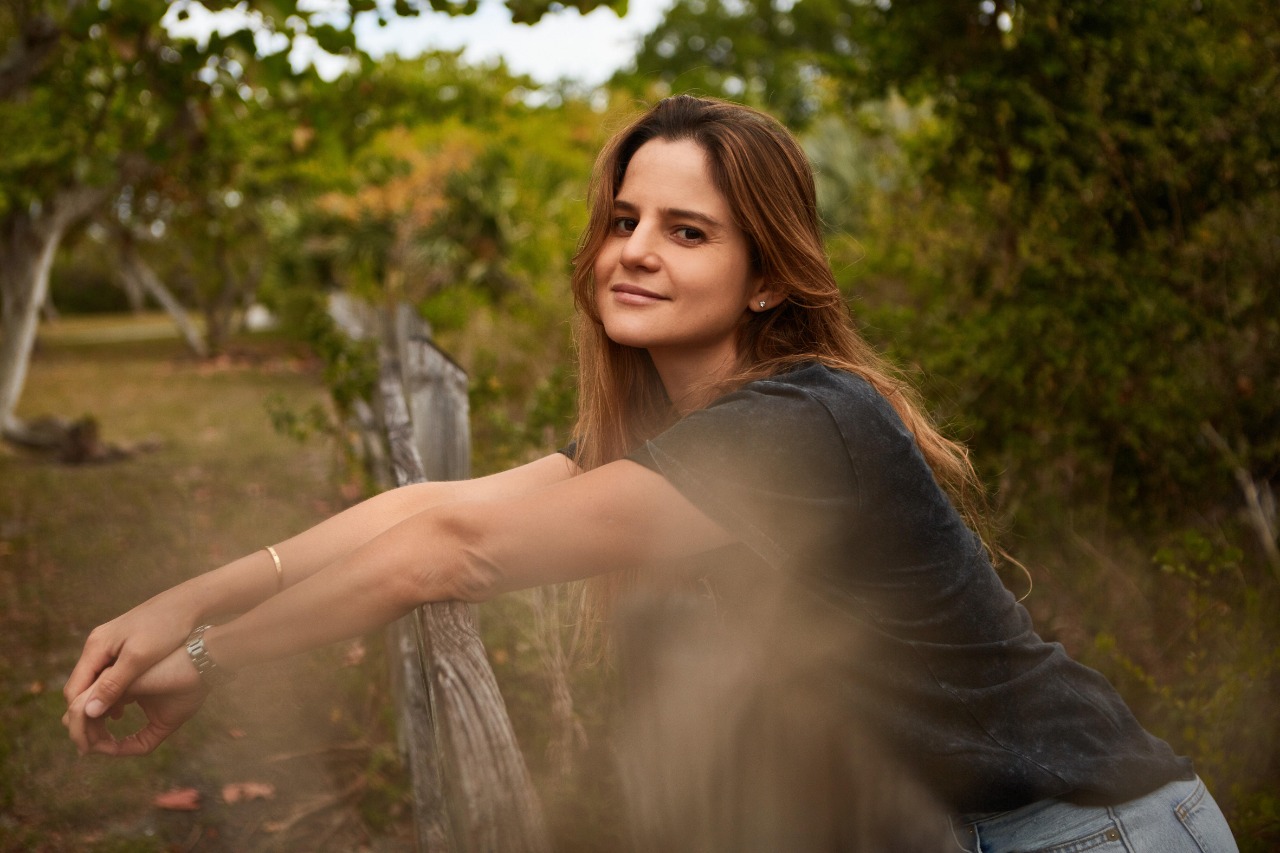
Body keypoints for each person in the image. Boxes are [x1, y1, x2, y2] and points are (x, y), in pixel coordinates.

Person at [63, 95, 1238, 852]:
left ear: (769, 277)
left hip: (1097, 832)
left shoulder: (797, 427)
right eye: (626, 217)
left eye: (687, 231)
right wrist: (185, 598)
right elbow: (431, 501)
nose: (632, 249)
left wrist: (208, 662)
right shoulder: (694, 434)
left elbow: (446, 554)